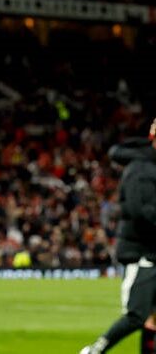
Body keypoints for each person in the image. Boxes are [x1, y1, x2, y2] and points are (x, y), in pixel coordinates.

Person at [81, 118, 156, 354]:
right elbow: (140, 211)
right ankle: (94, 350)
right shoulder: (141, 169)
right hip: (142, 253)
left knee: (152, 317)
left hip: (150, 251)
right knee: (137, 315)